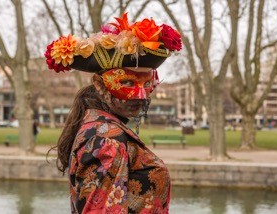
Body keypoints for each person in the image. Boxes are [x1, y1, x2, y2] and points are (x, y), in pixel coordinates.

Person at [45, 12, 182, 213]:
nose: (140, 94)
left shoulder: (99, 127)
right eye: (126, 82)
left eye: (147, 83)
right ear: (100, 85)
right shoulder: (106, 140)